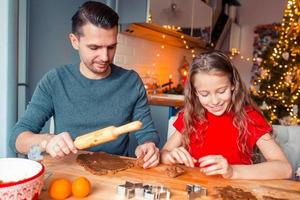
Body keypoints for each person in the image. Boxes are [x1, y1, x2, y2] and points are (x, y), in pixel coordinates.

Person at [10, 1, 160, 169]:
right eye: (94, 47)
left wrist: (148, 146)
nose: (105, 56)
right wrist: (47, 141)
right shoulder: (55, 80)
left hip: (116, 173)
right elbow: (17, 138)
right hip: (70, 173)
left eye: (111, 47)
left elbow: (146, 133)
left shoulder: (131, 81)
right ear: (75, 41)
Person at [161, 51, 292, 179]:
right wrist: (170, 156)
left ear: (233, 85)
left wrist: (233, 171)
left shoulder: (249, 117)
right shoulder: (190, 115)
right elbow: (163, 153)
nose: (214, 101)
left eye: (221, 91)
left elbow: (284, 168)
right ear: (195, 92)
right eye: (204, 94)